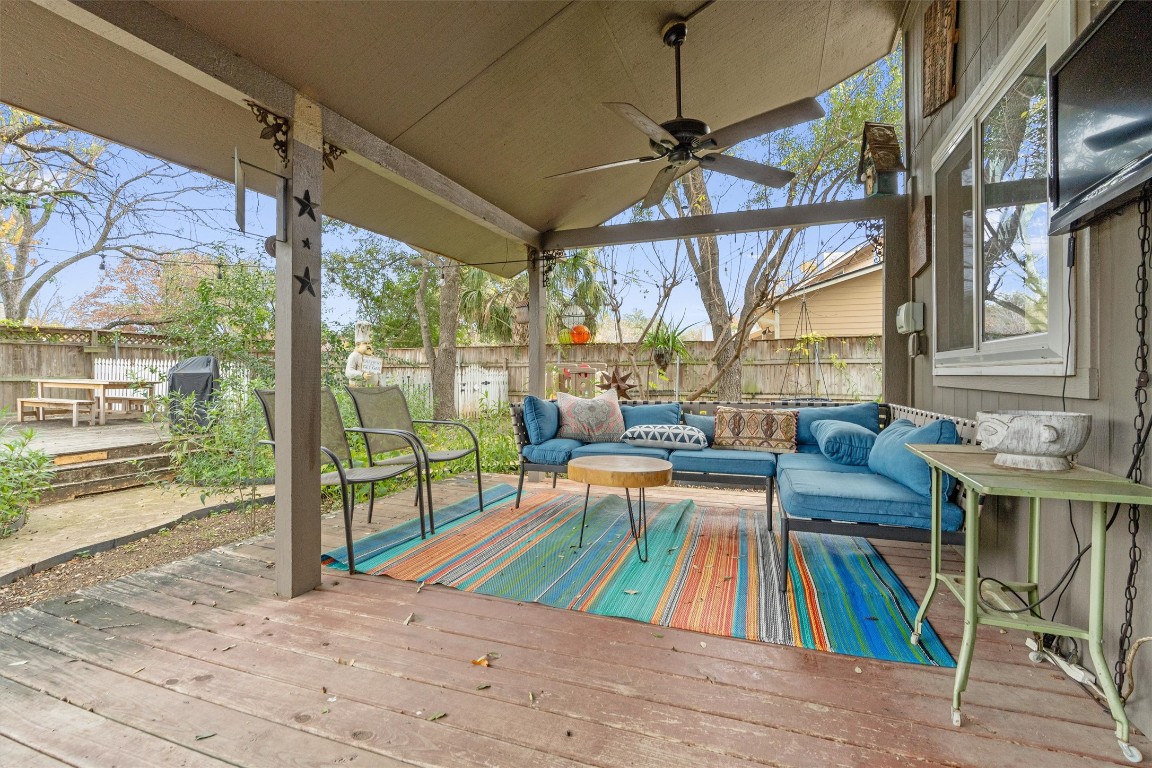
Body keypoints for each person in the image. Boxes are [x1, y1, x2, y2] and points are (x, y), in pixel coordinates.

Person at [344, 320, 381, 386]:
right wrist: (362, 375)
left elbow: (376, 373)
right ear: (358, 345)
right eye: (365, 343)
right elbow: (348, 372)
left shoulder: (372, 356)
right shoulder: (354, 356)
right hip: (358, 390)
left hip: (372, 390)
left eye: (369, 343)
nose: (368, 345)